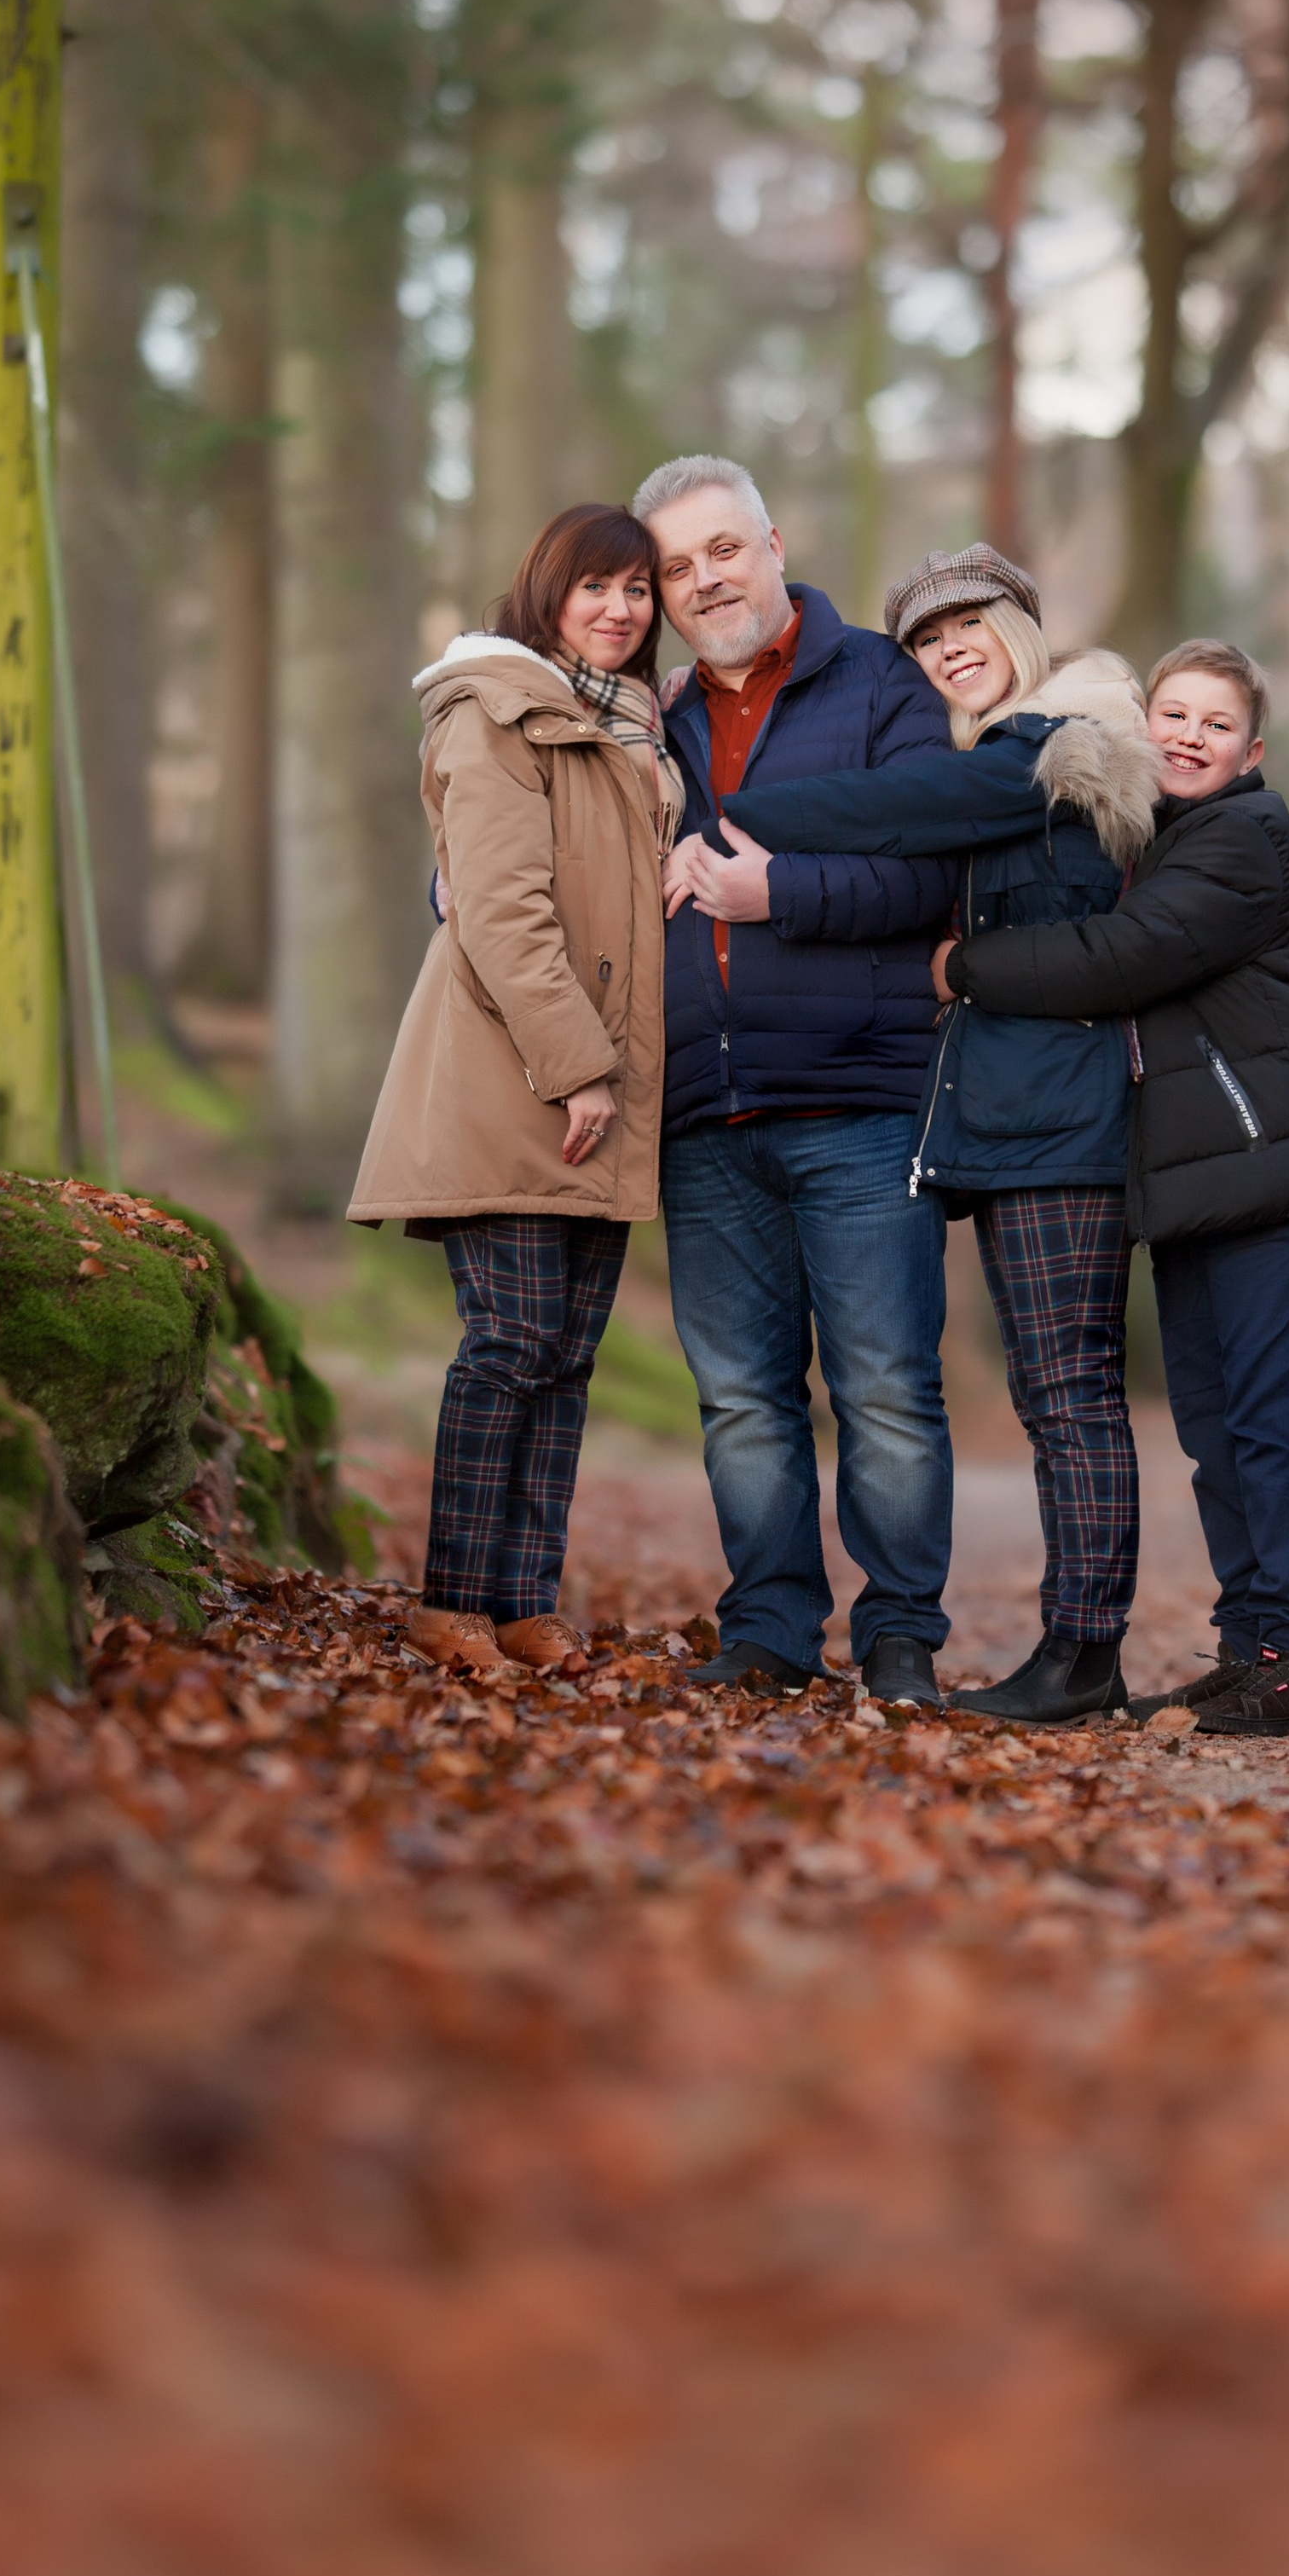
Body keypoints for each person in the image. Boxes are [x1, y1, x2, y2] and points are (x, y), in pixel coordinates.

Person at [727, 544, 1163, 1720]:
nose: (947, 648)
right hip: (1017, 1118)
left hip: (1067, 1116)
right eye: (924, 639)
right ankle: (1080, 1652)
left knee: (1068, 1393)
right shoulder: (1000, 757)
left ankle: (1085, 1658)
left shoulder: (1053, 743)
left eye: (969, 621)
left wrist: (723, 808)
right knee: (1056, 1389)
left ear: (1021, 625)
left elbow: (893, 808)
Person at [940, 641, 1289, 1737]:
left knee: (1274, 1426)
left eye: (1214, 723)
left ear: (1251, 751)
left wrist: (961, 970)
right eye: (1171, 714)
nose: (1188, 735)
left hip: (1277, 1168)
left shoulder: (1243, 838)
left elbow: (1124, 957)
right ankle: (1251, 1650)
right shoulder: (1157, 838)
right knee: (1218, 1430)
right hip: (1198, 1180)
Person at [634, 453, 958, 1703]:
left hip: (862, 1101)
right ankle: (769, 1630)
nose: (705, 578)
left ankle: (900, 1639)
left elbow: (930, 873)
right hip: (704, 1108)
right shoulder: (645, 718)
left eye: (723, 548)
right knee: (741, 1399)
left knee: (883, 1384)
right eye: (676, 567)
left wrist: (784, 892)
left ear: (772, 542)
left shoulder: (879, 684)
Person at [349, 504, 678, 1664]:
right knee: (510, 1341)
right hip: (517, 1077)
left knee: (568, 1355)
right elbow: (502, 912)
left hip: (602, 1093)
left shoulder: (633, 736)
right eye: (596, 586)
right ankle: (452, 1602)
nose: (619, 610)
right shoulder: (495, 712)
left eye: (638, 591)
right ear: (547, 592)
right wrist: (580, 1065)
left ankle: (524, 1600)